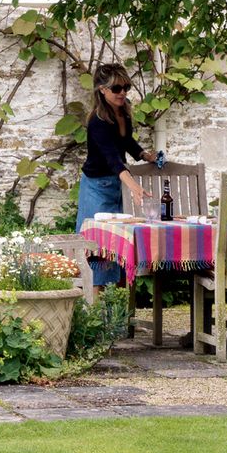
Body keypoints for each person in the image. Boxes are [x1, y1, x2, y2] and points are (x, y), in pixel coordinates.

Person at [76, 63, 155, 288]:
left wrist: (143, 154)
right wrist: (135, 187)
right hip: (96, 188)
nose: (122, 93)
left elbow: (125, 142)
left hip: (115, 185)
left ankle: (119, 317)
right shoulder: (97, 121)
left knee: (118, 247)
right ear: (102, 89)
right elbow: (113, 160)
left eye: (126, 87)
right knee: (97, 251)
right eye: (117, 88)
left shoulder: (123, 110)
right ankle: (94, 314)